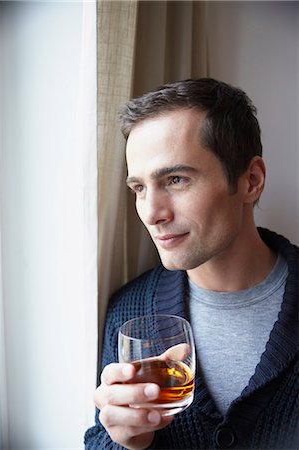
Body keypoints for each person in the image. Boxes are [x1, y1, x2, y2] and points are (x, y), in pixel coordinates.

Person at [84, 78, 298, 449]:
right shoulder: (128, 311)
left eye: (176, 179)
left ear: (251, 180)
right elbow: (101, 439)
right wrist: (125, 442)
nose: (151, 213)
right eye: (139, 188)